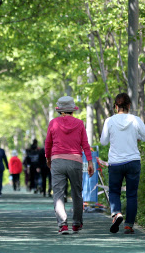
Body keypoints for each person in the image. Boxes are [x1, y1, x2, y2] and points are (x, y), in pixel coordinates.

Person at [100, 92, 145, 234]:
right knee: (131, 194)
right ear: (129, 105)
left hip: (115, 163)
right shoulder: (135, 120)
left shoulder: (109, 121)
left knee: (114, 191)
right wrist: (138, 137)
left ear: (116, 107)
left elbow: (103, 141)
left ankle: (117, 213)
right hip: (133, 161)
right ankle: (128, 225)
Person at [45, 96, 94, 235]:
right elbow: (85, 144)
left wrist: (48, 159)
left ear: (60, 110)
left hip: (57, 161)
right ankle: (77, 224)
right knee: (77, 194)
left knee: (59, 194)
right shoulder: (79, 123)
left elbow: (48, 143)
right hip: (75, 161)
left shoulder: (53, 123)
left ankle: (63, 225)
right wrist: (90, 162)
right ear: (72, 110)